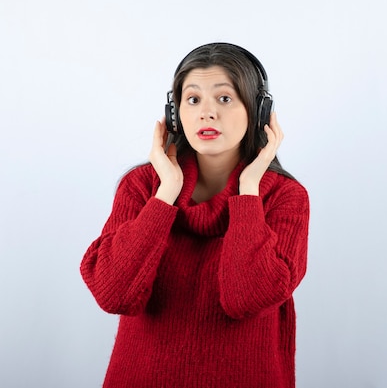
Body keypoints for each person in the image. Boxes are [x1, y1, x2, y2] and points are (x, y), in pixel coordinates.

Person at [80, 42, 310, 388]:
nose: (207, 113)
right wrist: (165, 195)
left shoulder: (284, 197)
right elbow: (114, 293)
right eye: (193, 99)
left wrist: (249, 190)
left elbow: (245, 298)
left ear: (259, 113)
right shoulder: (142, 187)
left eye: (224, 98)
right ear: (175, 114)